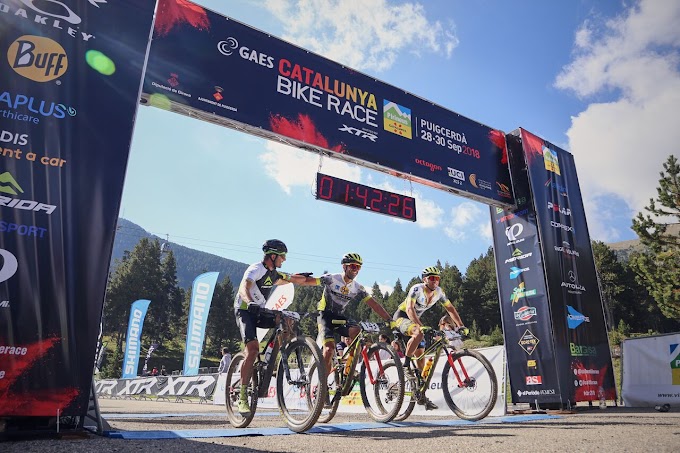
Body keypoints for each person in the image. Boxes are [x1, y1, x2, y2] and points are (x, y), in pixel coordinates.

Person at [233, 239, 319, 416]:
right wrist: (249, 302)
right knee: (253, 350)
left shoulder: (274, 274)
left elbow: (293, 279)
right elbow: (244, 287)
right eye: (282, 256)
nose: (284, 260)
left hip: (260, 310)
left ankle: (281, 352)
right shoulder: (255, 269)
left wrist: (314, 280)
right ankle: (242, 396)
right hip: (245, 310)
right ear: (273, 256)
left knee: (286, 320)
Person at [392, 266, 466, 410]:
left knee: (421, 358)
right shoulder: (416, 289)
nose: (435, 281)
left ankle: (420, 393)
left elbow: (450, 309)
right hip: (401, 318)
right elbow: (409, 309)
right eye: (432, 278)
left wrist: (460, 326)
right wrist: (420, 325)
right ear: (424, 279)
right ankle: (406, 365)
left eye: (437, 278)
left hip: (415, 321)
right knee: (419, 333)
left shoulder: (439, 292)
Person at [317, 253, 394, 384]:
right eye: (353, 266)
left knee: (357, 331)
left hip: (340, 317)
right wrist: (288, 278)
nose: (355, 269)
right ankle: (321, 386)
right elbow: (309, 281)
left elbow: (374, 304)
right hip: (324, 316)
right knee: (329, 350)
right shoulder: (332, 278)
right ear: (344, 267)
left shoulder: (357, 287)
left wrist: (390, 320)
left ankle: (349, 371)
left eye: (358, 267)